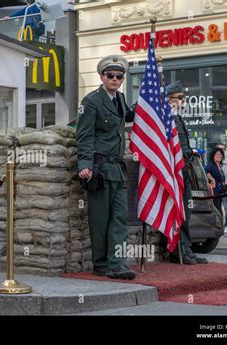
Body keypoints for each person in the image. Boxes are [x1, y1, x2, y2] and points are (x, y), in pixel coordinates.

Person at [76, 55, 136, 280]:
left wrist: (152, 100)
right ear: (101, 77)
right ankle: (101, 264)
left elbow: (131, 115)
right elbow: (84, 135)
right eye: (110, 75)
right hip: (99, 169)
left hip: (118, 170)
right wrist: (84, 165)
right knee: (100, 220)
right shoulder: (91, 101)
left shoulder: (120, 99)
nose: (115, 79)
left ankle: (116, 263)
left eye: (119, 76)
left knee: (120, 217)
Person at [166, 80, 208, 265]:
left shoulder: (178, 117)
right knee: (179, 211)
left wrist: (191, 153)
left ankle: (187, 249)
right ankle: (178, 250)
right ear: (169, 99)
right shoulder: (167, 117)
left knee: (187, 212)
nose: (183, 101)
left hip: (184, 169)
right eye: (180, 98)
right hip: (175, 170)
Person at [205, 147, 227, 217]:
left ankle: (219, 225)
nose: (219, 156)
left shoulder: (219, 165)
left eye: (220, 154)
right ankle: (217, 226)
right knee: (217, 210)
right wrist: (212, 179)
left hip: (220, 192)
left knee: (219, 209)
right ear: (213, 156)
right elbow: (206, 172)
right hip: (214, 192)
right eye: (217, 154)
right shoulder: (211, 165)